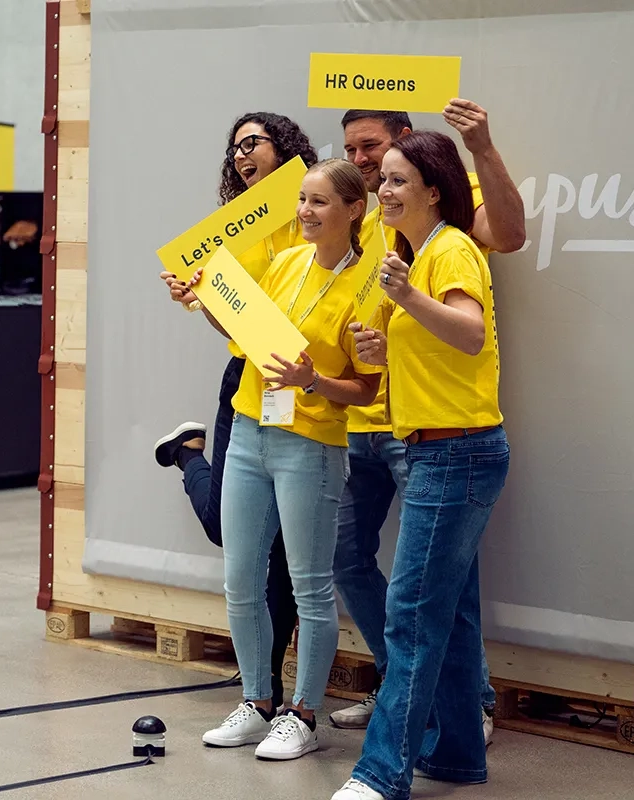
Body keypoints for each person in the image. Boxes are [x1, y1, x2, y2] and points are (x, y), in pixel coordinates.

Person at [174, 159, 383, 761]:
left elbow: (367, 390)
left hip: (311, 445)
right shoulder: (288, 262)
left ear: (353, 211)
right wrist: (198, 300)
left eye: (319, 202)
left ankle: (304, 714)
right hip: (248, 431)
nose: (306, 212)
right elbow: (238, 327)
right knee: (240, 579)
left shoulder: (365, 286)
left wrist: (314, 379)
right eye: (302, 200)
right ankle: (258, 700)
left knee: (309, 585)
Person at [328, 100, 524, 738]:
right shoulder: (387, 226)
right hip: (381, 419)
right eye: (355, 155)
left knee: (430, 597)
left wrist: (484, 147)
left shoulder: (450, 235)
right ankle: (441, 717)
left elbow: (509, 238)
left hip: (443, 437)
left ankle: (410, 743)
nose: (366, 169)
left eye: (377, 156)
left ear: (411, 152)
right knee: (361, 564)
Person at [155, 112, 319, 711]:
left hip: (305, 383)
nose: (241, 155)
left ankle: (269, 691)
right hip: (247, 381)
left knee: (285, 549)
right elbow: (232, 320)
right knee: (230, 529)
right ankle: (188, 455)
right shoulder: (232, 235)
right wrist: (199, 298)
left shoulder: (313, 209)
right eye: (234, 149)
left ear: (285, 150)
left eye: (252, 142)